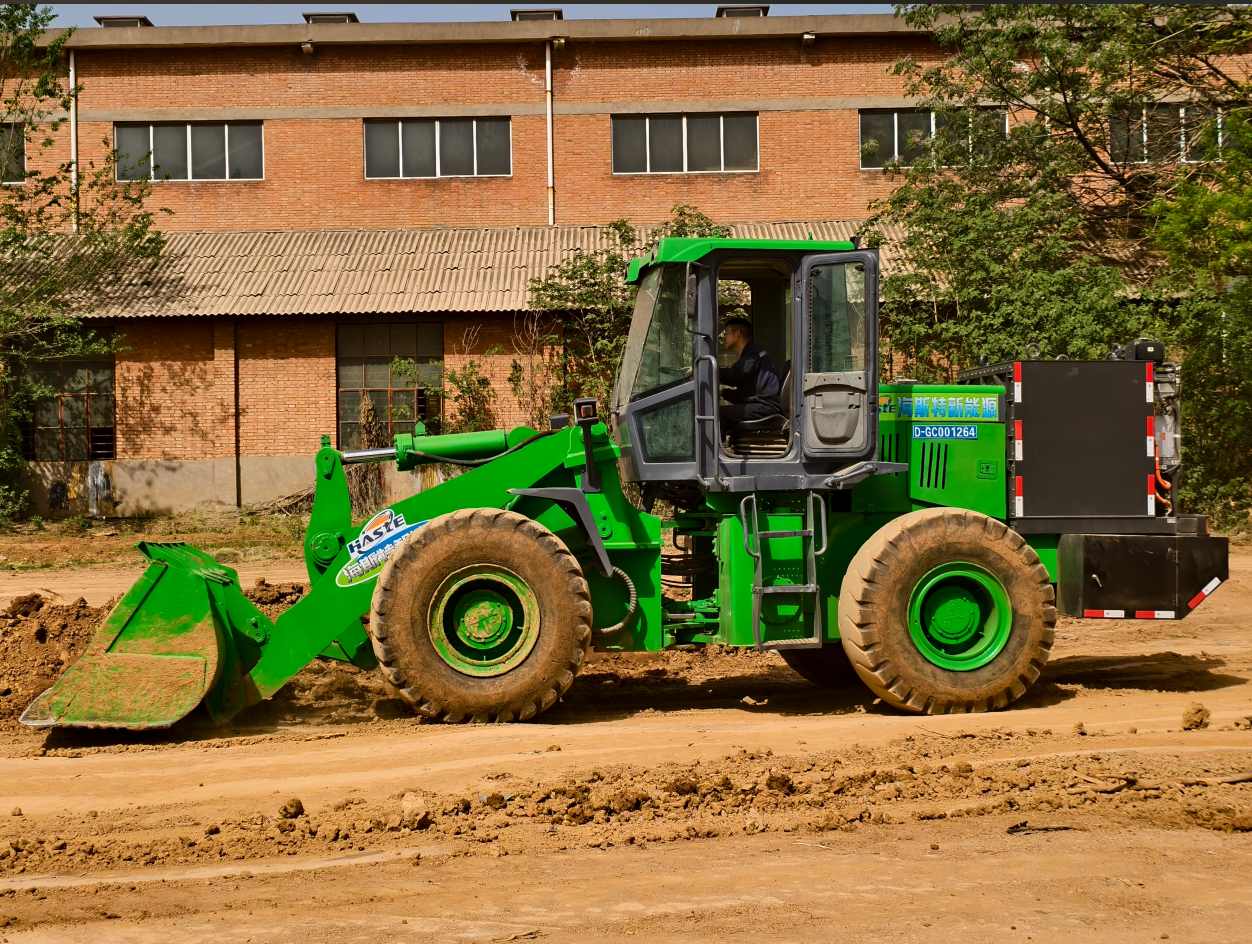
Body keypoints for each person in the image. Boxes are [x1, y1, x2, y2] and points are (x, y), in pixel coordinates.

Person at [718, 317, 783, 427]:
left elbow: (736, 375)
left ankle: (718, 445)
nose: (724, 338)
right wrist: (723, 393)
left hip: (765, 407)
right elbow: (746, 394)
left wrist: (709, 371)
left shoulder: (752, 355)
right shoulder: (752, 354)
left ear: (737, 333)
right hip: (762, 405)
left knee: (718, 414)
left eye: (726, 333)